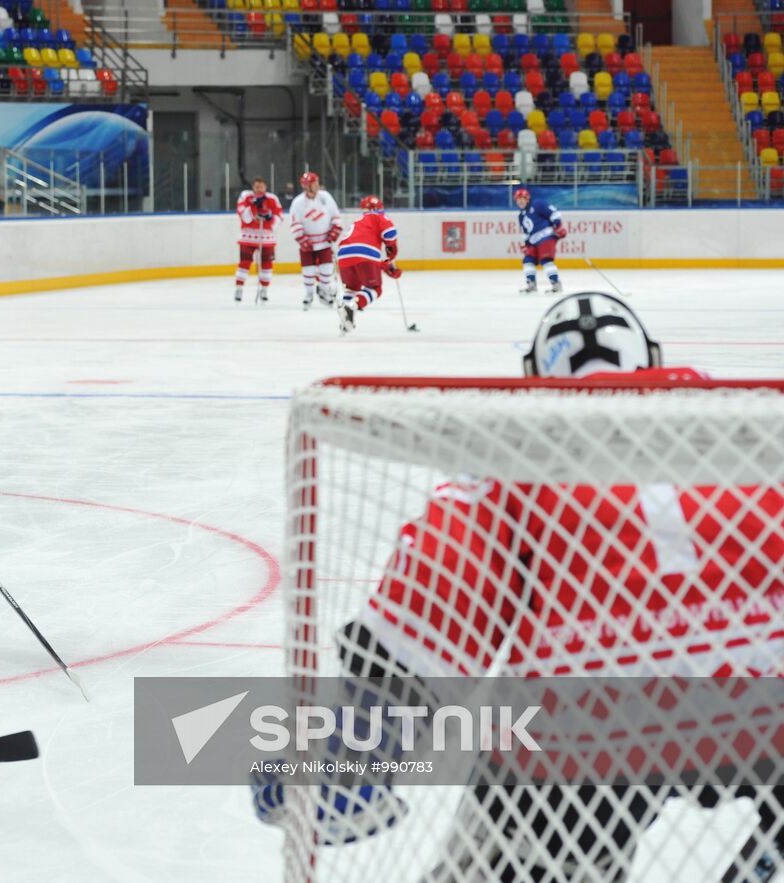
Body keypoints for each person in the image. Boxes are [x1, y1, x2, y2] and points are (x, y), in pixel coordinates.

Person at [254, 292, 784, 881]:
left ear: (536, 374)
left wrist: (356, 741)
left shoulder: (519, 441)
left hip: (591, 721)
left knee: (519, 830)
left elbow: (446, 580)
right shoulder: (752, 417)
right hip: (771, 698)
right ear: (652, 357)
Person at [333, 195, 399, 334]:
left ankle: (346, 322)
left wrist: (386, 265)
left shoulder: (357, 222)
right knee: (375, 289)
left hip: (343, 256)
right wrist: (392, 253)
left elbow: (358, 252)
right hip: (365, 254)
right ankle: (353, 307)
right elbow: (390, 233)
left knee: (352, 289)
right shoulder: (379, 217)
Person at [287, 171, 342, 309]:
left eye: (317, 182)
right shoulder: (298, 202)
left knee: (327, 269)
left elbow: (335, 215)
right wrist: (302, 238)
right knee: (309, 270)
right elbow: (294, 222)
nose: (317, 185)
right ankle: (309, 293)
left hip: (324, 241)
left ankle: (323, 291)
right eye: (313, 183)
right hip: (307, 243)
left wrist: (335, 231)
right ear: (306, 186)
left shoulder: (325, 197)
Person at [234, 176, 283, 304]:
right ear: (253, 187)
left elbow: (279, 216)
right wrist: (252, 207)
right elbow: (243, 215)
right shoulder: (246, 196)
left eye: (261, 187)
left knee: (267, 265)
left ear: (265, 187)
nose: (259, 189)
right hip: (248, 237)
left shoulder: (272, 198)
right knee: (244, 262)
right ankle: (239, 288)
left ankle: (264, 290)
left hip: (266, 237)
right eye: (256, 187)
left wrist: (269, 218)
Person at [514, 186, 565, 295]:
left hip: (546, 236)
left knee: (546, 260)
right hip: (533, 241)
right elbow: (526, 232)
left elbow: (553, 213)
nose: (520, 201)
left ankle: (556, 284)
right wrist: (525, 244)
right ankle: (531, 285)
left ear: (527, 198)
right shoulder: (521, 216)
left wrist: (558, 225)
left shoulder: (537, 204)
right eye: (518, 200)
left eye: (522, 198)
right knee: (528, 260)